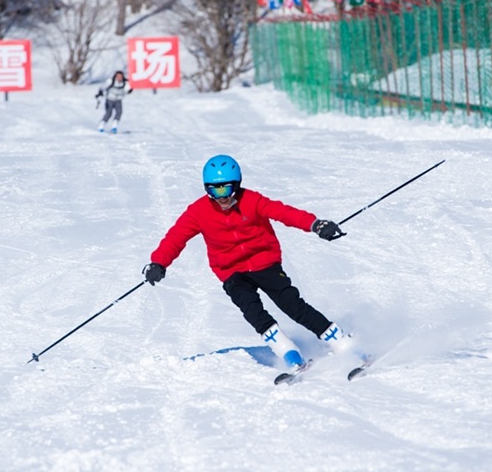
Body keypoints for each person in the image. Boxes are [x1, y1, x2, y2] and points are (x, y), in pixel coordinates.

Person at [143, 154, 352, 371]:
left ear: (236, 185)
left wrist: (315, 224)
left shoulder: (252, 200)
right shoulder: (198, 211)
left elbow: (284, 212)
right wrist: (158, 263)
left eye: (226, 189)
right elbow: (176, 237)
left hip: (265, 263)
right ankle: (288, 352)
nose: (222, 197)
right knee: (253, 312)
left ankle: (340, 340)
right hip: (231, 271)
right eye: (215, 191)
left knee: (291, 305)